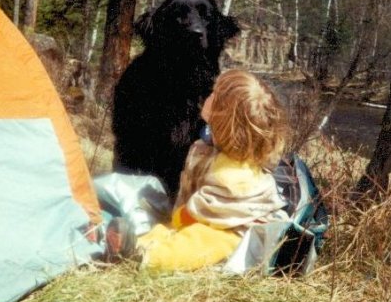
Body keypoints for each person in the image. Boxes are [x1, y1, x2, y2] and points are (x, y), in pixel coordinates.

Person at [105, 69, 290, 271]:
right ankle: (132, 242)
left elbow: (214, 205)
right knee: (166, 231)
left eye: (214, 95)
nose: (208, 96)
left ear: (224, 118)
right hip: (213, 222)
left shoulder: (234, 172)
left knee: (194, 244)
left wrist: (183, 215)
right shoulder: (215, 147)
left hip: (233, 231)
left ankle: (145, 256)